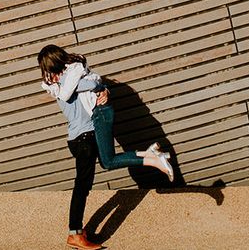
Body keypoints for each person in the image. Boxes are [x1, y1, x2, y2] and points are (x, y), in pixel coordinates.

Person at [37, 44, 173, 250]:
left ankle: (149, 155)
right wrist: (99, 85)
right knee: (82, 186)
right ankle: (74, 233)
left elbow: (92, 82)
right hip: (82, 140)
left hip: (86, 137)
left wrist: (102, 89)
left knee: (97, 172)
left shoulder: (67, 80)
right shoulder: (60, 85)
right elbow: (88, 84)